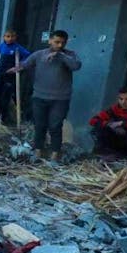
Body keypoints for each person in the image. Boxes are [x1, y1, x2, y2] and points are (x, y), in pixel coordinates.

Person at [8, 29, 82, 161]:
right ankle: (38, 150)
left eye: (62, 43)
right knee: (40, 125)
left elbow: (76, 66)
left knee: (55, 126)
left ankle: (55, 153)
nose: (59, 45)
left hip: (60, 99)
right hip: (39, 97)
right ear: (50, 41)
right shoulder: (39, 55)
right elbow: (25, 64)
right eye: (56, 42)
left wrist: (60, 56)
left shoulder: (70, 55)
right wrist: (16, 68)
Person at [0, 29, 31, 124]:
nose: (10, 38)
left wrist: (18, 67)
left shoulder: (17, 48)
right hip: (1, 73)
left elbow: (28, 56)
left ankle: (3, 117)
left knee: (5, 96)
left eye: (12, 37)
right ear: (4, 37)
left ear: (15, 37)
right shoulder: (2, 46)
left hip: (10, 75)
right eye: (8, 36)